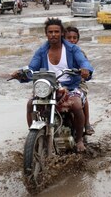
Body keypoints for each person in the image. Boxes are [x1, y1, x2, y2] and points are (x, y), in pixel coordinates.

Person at [11, 17, 94, 152]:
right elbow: (32, 67)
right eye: (50, 32)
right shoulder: (42, 51)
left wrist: (85, 70)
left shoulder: (73, 49)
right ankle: (33, 136)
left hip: (71, 86)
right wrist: (21, 73)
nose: (53, 34)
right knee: (30, 104)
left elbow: (84, 62)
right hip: (48, 87)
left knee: (77, 105)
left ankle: (79, 139)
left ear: (61, 33)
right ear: (46, 34)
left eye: (56, 31)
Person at [64, 26, 95, 135]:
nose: (72, 40)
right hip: (59, 82)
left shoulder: (79, 52)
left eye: (74, 38)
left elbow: (85, 64)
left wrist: (85, 71)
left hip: (77, 82)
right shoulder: (57, 50)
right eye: (69, 38)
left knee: (82, 98)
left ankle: (86, 123)